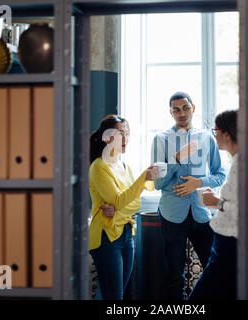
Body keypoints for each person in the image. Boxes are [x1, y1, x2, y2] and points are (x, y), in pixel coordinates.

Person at [151, 92, 226, 300]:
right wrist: (176, 159)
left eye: (185, 108)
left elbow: (221, 175)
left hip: (203, 214)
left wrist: (198, 183)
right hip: (171, 216)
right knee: (174, 274)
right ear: (170, 112)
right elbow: (158, 183)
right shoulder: (160, 140)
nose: (181, 113)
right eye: (176, 109)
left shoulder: (207, 138)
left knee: (213, 269)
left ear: (193, 108)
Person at [89, 114, 158, 300]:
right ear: (106, 138)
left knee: (112, 294)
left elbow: (134, 203)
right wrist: (143, 179)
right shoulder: (99, 166)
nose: (125, 138)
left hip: (127, 233)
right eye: (120, 133)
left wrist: (119, 207)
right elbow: (122, 200)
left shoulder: (125, 167)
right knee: (114, 297)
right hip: (106, 236)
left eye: (127, 133)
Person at [188, 110, 239, 300]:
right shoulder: (238, 162)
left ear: (227, 134)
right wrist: (217, 201)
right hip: (226, 241)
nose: (213, 134)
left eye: (215, 130)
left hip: (229, 242)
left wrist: (217, 202)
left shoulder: (241, 165)